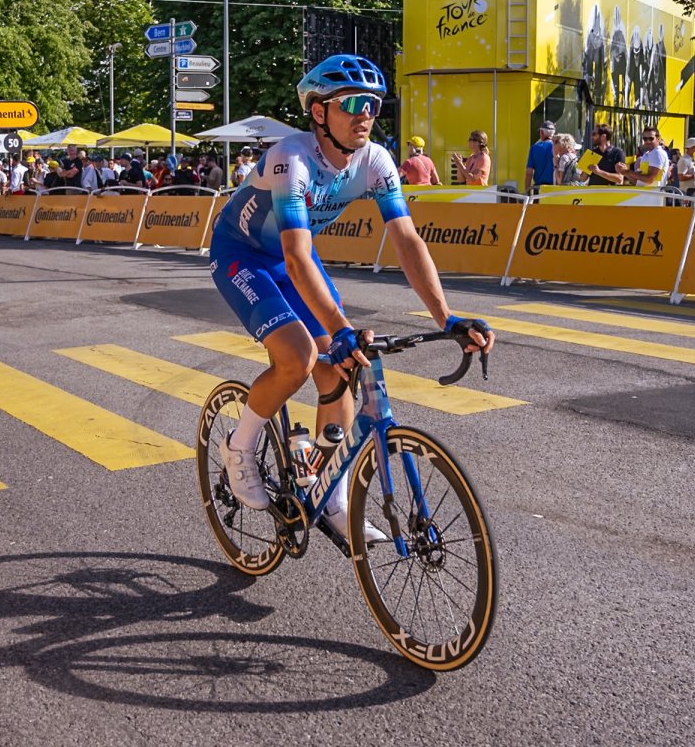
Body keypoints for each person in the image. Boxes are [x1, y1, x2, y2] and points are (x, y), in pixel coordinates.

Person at [207, 54, 494, 539]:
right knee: (299, 358)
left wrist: (448, 318)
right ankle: (239, 445)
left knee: (342, 369)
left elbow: (405, 240)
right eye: (354, 103)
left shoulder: (376, 159)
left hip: (291, 257)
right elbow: (297, 258)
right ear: (319, 112)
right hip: (244, 255)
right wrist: (338, 328)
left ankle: (329, 494)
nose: (366, 113)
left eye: (375, 104)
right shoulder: (289, 158)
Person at [524, 120, 555, 193]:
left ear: (542, 132)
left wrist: (527, 191)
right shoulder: (557, 147)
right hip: (554, 189)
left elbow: (529, 172)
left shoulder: (534, 148)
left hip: (538, 189)